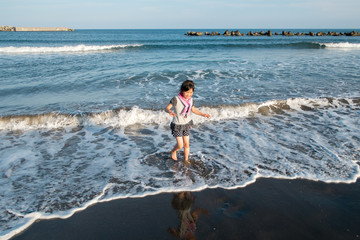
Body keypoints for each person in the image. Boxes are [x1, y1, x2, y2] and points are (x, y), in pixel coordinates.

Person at [165, 80, 210, 162]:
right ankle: (173, 151)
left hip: (186, 124)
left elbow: (193, 110)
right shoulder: (176, 99)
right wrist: (170, 111)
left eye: (191, 92)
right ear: (182, 91)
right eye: (187, 92)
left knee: (186, 144)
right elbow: (167, 108)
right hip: (177, 125)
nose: (189, 94)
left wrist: (203, 114)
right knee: (180, 145)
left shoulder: (191, 100)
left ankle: (186, 160)